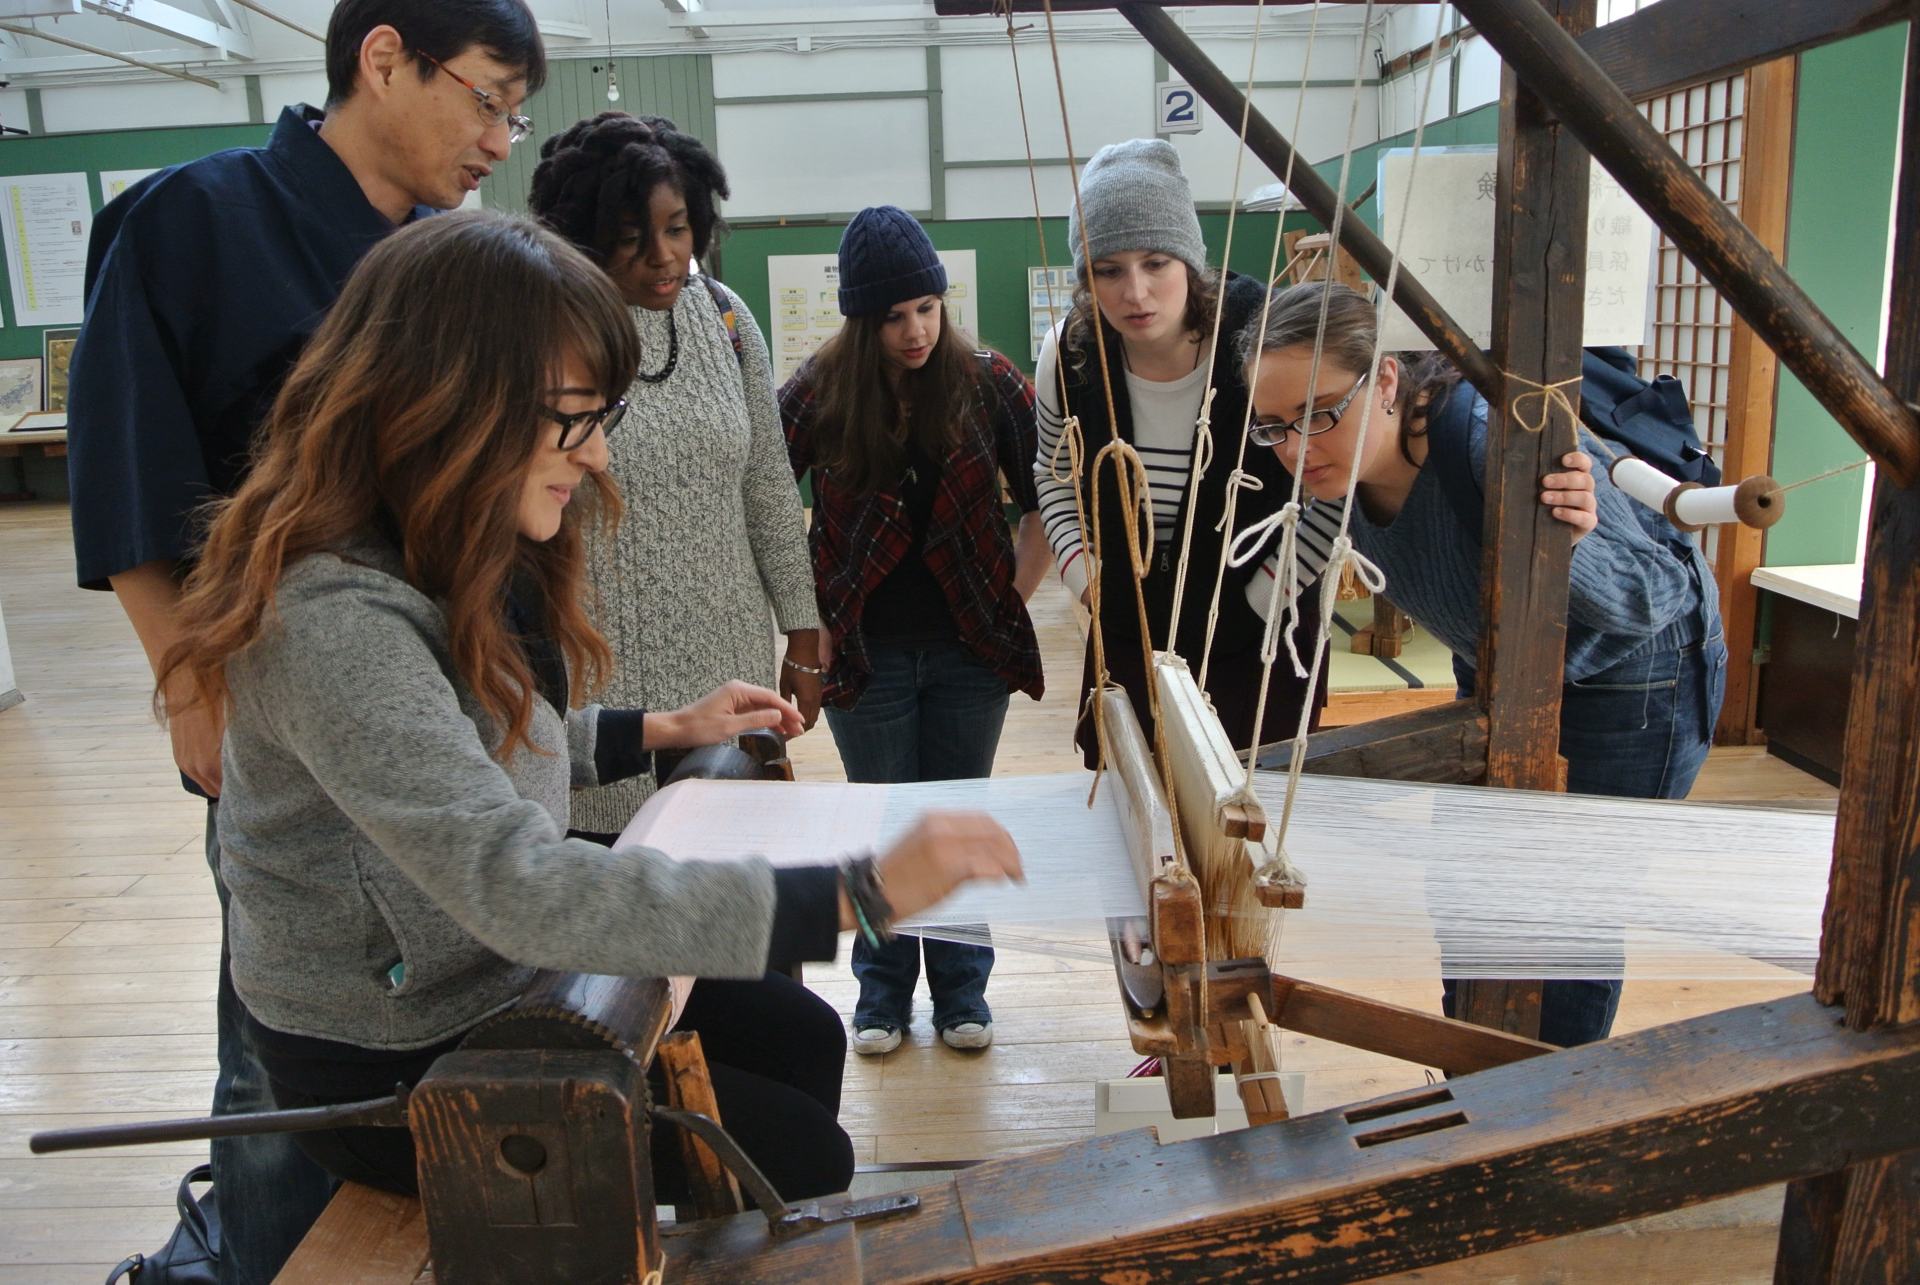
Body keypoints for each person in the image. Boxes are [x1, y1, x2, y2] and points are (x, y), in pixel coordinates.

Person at [156, 210, 1024, 1208]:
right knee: (797, 1156)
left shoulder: (426, 543)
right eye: (577, 417)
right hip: (392, 1052)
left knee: (800, 1033)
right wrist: (856, 896)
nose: (601, 456)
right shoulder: (332, 621)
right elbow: (516, 883)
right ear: (455, 401)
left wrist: (658, 729)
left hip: (483, 973)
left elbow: (466, 749)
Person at [67, 3, 546, 1276]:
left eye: (516, 114)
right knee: (284, 1040)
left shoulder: (454, 254)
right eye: (487, 100)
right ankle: (265, 1257)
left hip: (446, 689)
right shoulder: (193, 223)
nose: (500, 138)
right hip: (283, 698)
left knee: (456, 999)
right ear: (383, 56)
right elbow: (129, 467)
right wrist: (188, 684)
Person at [1240, 281, 1726, 1046]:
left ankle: (1536, 1132)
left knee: (1562, 927)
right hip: (1502, 665)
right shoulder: (1335, 469)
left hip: (1634, 681)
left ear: (1389, 380)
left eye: (1320, 412)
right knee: (1467, 895)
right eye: (1272, 427)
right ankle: (1479, 1091)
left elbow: (1655, 592)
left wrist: (1576, 543)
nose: (1298, 447)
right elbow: (1270, 579)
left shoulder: (1492, 442)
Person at [780, 206, 1049, 1056]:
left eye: (927, 308)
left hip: (971, 649)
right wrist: (805, 634)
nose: (915, 330)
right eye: (894, 316)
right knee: (880, 827)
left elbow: (1050, 494)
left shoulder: (991, 380)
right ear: (863, 320)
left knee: (960, 813)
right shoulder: (820, 391)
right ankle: (881, 995)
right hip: (867, 654)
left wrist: (1014, 590)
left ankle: (964, 990)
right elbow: (761, 502)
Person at [527, 113, 822, 840]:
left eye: (678, 228)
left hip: (731, 672)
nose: (663, 257)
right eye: (630, 237)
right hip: (600, 691)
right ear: (584, 234)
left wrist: (805, 633)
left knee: (753, 924)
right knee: (618, 933)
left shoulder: (725, 320)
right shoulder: (542, 341)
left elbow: (768, 486)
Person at [1034, 139, 1337, 768]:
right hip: (1127, 634)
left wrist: (1263, 595)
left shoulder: (1267, 336)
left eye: (1156, 262)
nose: (1135, 293)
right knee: (1128, 814)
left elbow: (1331, 487)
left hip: (1257, 639)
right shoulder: (1069, 353)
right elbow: (1054, 475)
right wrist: (1090, 583)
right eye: (1107, 269)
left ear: (1191, 261)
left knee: (1250, 822)